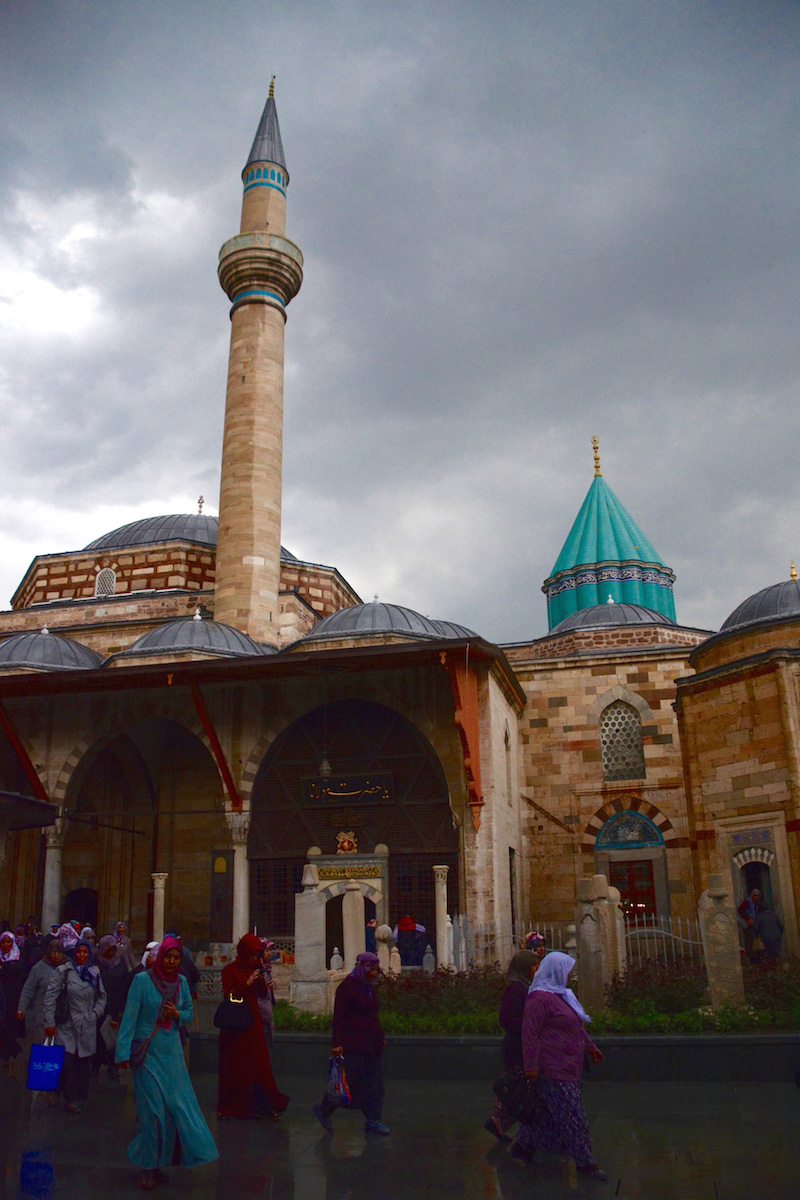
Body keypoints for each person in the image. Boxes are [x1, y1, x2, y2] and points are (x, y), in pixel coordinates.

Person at [116, 936, 218, 1190]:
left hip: (171, 1054)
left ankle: (160, 1161)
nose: (172, 962)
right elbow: (129, 1017)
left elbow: (187, 1014)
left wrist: (176, 1014)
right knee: (151, 1112)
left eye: (176, 958)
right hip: (147, 1053)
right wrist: (122, 1054)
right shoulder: (141, 981)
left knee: (174, 1111)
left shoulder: (181, 982)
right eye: (168, 957)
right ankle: (148, 1166)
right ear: (160, 957)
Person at [512, 951, 606, 1180]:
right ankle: (585, 1162)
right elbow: (530, 1034)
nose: (570, 975)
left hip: (569, 1064)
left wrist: (590, 1046)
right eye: (567, 970)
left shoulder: (561, 995)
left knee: (545, 1112)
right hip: (552, 1068)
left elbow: (576, 1025)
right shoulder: (539, 999)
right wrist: (531, 1067)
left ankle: (524, 1147)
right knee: (572, 1114)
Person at [313, 950, 389, 1135]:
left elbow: (373, 1015)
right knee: (349, 1084)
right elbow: (339, 1017)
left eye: (377, 970)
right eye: (372, 969)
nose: (375, 973)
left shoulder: (368, 987)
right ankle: (324, 1109)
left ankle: (373, 1120)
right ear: (363, 967)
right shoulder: (347, 987)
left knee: (375, 1084)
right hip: (353, 1044)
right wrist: (337, 1043)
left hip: (371, 1044)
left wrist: (380, 1036)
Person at [217, 933, 289, 1120]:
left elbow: (262, 993)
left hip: (253, 1025)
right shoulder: (230, 971)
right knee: (236, 1067)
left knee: (260, 1067)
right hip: (236, 1026)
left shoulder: (257, 968)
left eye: (257, 955)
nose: (254, 959)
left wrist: (264, 981)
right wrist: (246, 983)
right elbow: (230, 996)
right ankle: (234, 1106)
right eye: (252, 955)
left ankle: (265, 1105)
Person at [43, 937, 106, 1112]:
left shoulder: (94, 973)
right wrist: (49, 1022)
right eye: (79, 951)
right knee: (67, 1062)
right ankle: (68, 1099)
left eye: (85, 952)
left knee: (81, 1063)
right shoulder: (63, 971)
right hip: (66, 1023)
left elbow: (102, 996)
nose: (82, 955)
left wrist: (95, 1013)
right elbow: (50, 998)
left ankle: (68, 1093)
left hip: (86, 1024)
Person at [484, 949, 538, 1141]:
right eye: (532, 966)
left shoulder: (524, 987)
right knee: (516, 1086)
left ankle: (498, 1122)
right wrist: (528, 1026)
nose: (535, 970)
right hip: (516, 1047)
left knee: (516, 1086)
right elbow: (505, 1019)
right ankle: (500, 1122)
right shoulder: (515, 989)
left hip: (520, 1046)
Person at [17, 936, 64, 1044]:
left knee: (59, 1048)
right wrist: (22, 1007)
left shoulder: (67, 966)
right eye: (53, 952)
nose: (56, 955)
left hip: (62, 1015)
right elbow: (28, 989)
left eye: (59, 952)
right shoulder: (39, 968)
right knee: (43, 1046)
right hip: (42, 1014)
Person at [95, 935, 130, 1079]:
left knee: (111, 1038)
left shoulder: (120, 962)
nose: (110, 953)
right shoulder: (96, 962)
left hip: (114, 1005)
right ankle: (95, 1063)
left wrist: (120, 1010)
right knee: (97, 1036)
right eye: (108, 949)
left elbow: (125, 983)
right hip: (98, 1005)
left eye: (113, 950)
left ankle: (112, 1065)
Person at [0, 931, 25, 1066]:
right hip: (1, 998)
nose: (5, 945)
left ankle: (11, 1054)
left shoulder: (17, 956)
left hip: (13, 998)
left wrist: (4, 968)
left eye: (8, 942)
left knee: (10, 1027)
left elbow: (17, 970)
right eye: (3, 942)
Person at [737, 890, 763, 963]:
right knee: (749, 942)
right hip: (747, 925)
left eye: (757, 896)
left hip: (752, 925)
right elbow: (740, 910)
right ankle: (751, 958)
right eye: (754, 896)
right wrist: (747, 919)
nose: (755, 897)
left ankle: (753, 958)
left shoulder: (756, 905)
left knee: (752, 941)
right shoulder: (748, 902)